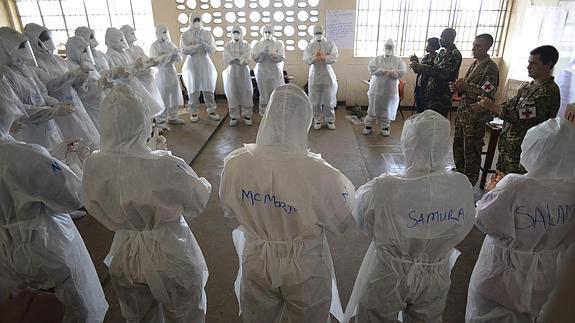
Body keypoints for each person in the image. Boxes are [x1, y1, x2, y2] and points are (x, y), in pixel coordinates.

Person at [220, 84, 355, 323]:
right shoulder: (320, 173)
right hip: (306, 265)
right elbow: (341, 222)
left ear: (268, 116)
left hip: (257, 259)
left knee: (258, 316)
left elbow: (229, 208)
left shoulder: (235, 164)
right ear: (304, 120)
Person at [82, 83, 212, 322]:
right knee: (186, 314)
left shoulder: (93, 164)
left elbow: (123, 177)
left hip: (125, 253)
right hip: (171, 252)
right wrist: (166, 158)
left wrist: (152, 153)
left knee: (139, 317)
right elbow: (198, 199)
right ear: (142, 121)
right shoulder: (164, 165)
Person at [344, 110, 475, 323]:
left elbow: (362, 216)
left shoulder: (384, 187)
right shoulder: (461, 185)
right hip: (435, 272)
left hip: (389, 271)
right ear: (444, 144)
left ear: (409, 143)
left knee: (375, 317)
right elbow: (466, 223)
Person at [0, 76, 108, 323]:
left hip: (5, 249)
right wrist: (75, 167)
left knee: (25, 307)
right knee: (73, 302)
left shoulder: (22, 155)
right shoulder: (22, 155)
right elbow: (73, 197)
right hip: (44, 242)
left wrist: (52, 158)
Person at [466, 117, 575, 323]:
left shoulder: (515, 185)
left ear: (532, 147)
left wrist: (493, 191)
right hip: (544, 273)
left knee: (485, 316)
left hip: (500, 271)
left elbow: (483, 220)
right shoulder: (571, 190)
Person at [474, 45, 560, 179]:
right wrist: (488, 106)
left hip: (523, 153)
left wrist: (493, 107)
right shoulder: (529, 86)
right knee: (501, 182)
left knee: (515, 188)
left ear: (548, 64)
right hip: (509, 148)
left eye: (534, 63)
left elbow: (523, 115)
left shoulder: (547, 92)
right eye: (529, 62)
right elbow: (510, 105)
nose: (528, 66)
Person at [23, 23, 100, 151]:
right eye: (44, 38)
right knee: (74, 145)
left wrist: (81, 78)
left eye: (48, 37)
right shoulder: (35, 65)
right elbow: (49, 86)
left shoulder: (58, 60)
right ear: (34, 41)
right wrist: (73, 74)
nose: (48, 41)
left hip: (75, 105)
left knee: (89, 137)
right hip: (60, 109)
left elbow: (74, 85)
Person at [0, 27, 69, 150]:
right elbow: (17, 110)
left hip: (47, 125)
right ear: (7, 50)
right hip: (29, 132)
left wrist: (55, 103)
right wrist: (52, 111)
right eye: (21, 46)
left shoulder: (25, 68)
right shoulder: (5, 75)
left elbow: (42, 93)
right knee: (42, 162)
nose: (25, 50)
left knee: (59, 156)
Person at [451, 34, 499, 186]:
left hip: (475, 118)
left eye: (478, 45)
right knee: (459, 147)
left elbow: (487, 95)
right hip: (463, 115)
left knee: (471, 151)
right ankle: (459, 175)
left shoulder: (490, 68)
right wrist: (458, 87)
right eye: (474, 45)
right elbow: (466, 86)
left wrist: (467, 87)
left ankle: (469, 182)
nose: (473, 48)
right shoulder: (474, 64)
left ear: (487, 47)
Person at [410, 28, 462, 117]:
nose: (440, 40)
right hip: (430, 94)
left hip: (441, 97)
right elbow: (434, 68)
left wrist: (422, 67)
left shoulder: (454, 54)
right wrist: (419, 66)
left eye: (443, 37)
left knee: (437, 124)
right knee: (427, 122)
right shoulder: (442, 53)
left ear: (450, 38)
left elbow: (443, 73)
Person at [180, 12, 220, 122]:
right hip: (192, 64)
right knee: (193, 89)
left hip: (205, 62)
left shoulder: (207, 33)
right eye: (194, 20)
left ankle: (211, 110)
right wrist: (195, 47)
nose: (196, 22)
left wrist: (205, 45)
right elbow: (183, 50)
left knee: (208, 87)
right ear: (191, 21)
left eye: (198, 20)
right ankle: (193, 111)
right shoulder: (186, 35)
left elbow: (212, 49)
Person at [364, 39, 407, 136]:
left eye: (390, 48)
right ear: (383, 48)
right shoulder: (377, 59)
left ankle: (385, 127)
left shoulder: (398, 60)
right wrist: (382, 71)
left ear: (393, 49)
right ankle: (368, 126)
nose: (388, 50)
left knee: (386, 108)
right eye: (386, 48)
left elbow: (403, 71)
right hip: (376, 88)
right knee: (373, 107)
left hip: (389, 90)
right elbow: (371, 67)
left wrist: (393, 72)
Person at [303, 24, 339, 130]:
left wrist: (324, 57)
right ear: (313, 34)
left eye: (320, 33)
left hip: (327, 74)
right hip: (314, 74)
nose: (318, 35)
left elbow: (335, 57)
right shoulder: (310, 46)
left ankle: (330, 120)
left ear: (323, 33)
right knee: (315, 100)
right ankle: (317, 119)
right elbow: (306, 59)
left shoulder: (329, 44)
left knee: (329, 99)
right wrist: (315, 58)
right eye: (316, 33)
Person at [150, 25, 185, 125]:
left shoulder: (170, 44)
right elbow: (154, 61)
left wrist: (176, 55)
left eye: (166, 31)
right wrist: (168, 56)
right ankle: (161, 120)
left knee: (174, 94)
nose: (165, 34)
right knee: (163, 95)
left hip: (171, 71)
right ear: (158, 33)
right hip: (162, 72)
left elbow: (179, 59)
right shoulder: (154, 46)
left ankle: (173, 116)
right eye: (163, 32)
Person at [222, 24, 253, 127]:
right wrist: (232, 60)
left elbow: (248, 56)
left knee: (246, 92)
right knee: (232, 92)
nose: (236, 34)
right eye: (234, 32)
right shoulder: (228, 45)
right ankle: (234, 116)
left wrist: (240, 60)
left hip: (243, 71)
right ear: (231, 34)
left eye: (238, 32)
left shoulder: (246, 45)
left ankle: (247, 115)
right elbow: (226, 56)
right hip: (232, 72)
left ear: (241, 34)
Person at [251, 25, 285, 116]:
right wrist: (262, 53)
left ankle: (276, 112)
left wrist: (272, 55)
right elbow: (254, 57)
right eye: (265, 32)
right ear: (262, 33)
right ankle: (263, 113)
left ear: (273, 33)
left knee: (275, 92)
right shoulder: (258, 44)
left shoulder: (278, 44)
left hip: (274, 73)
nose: (267, 34)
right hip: (262, 73)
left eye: (269, 32)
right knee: (263, 93)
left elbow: (281, 57)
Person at [411, 37, 440, 113]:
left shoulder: (437, 58)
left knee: (426, 111)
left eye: (428, 45)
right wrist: (415, 62)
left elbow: (433, 71)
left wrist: (419, 65)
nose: (427, 47)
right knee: (419, 109)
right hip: (419, 87)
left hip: (427, 89)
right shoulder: (426, 57)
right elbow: (418, 71)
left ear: (433, 46)